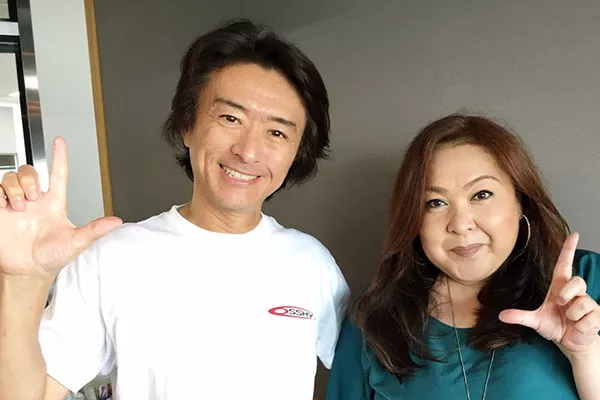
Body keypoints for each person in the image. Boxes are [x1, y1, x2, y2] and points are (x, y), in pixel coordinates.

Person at [0, 19, 350, 400]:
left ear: (297, 153)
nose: (249, 151)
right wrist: (22, 280)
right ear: (187, 126)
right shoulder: (113, 258)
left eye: (277, 132)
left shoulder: (313, 265)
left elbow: (368, 373)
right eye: (230, 118)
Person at [327, 114, 600, 399]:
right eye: (435, 203)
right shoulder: (374, 321)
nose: (460, 224)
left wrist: (585, 352)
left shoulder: (584, 284)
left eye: (481, 195)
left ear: (521, 201)